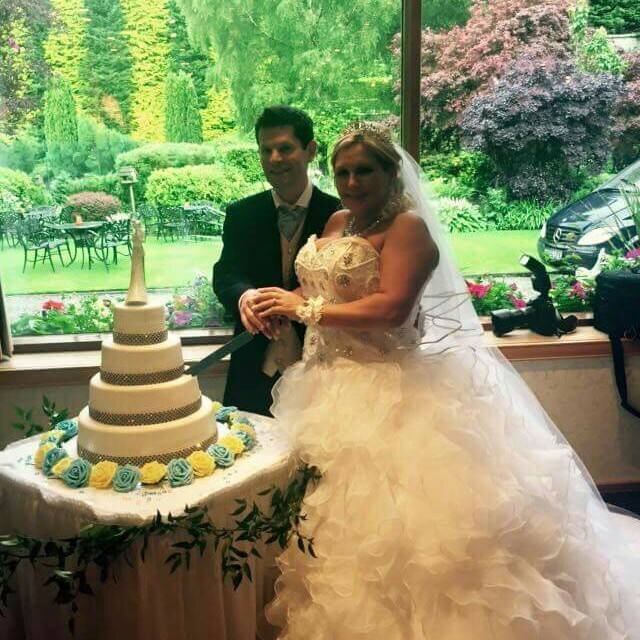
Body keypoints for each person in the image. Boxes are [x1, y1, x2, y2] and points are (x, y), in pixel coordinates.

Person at [250, 124, 640, 639]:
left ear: (391, 173)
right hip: (322, 386)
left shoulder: (408, 228)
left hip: (388, 389)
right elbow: (326, 287)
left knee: (407, 529)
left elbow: (392, 308)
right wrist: (277, 301)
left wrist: (305, 310)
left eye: (364, 171)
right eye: (342, 172)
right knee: (325, 518)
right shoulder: (340, 221)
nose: (351, 183)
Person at [213, 105, 340, 415]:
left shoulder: (339, 213)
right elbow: (227, 273)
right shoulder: (241, 214)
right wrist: (245, 296)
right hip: (253, 363)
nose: (274, 159)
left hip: (322, 363)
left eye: (285, 148)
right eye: (265, 150)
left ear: (311, 150)